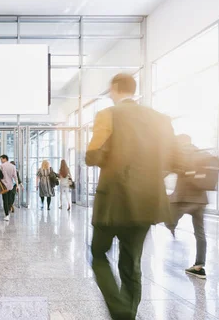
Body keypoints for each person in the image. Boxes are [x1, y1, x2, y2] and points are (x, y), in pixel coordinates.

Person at [86, 73, 178, 320]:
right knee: (132, 263)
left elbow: (92, 155)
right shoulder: (160, 120)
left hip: (113, 200)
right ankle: (129, 313)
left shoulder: (108, 115)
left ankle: (120, 312)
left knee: (98, 254)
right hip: (146, 203)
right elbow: (174, 159)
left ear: (115, 88)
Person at [166, 134, 208, 279]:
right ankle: (199, 266)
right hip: (201, 200)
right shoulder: (202, 154)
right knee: (200, 233)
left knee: (168, 218)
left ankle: (171, 226)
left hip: (184, 199)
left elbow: (168, 169)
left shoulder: (181, 154)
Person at [0, 155, 18, 221]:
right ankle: (8, 211)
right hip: (11, 185)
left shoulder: (2, 166)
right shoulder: (13, 166)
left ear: (5, 159)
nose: (1, 160)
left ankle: (7, 214)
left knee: (5, 200)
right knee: (9, 200)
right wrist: (17, 185)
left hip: (4, 186)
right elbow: (15, 177)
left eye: (1, 159)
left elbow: (0, 176)